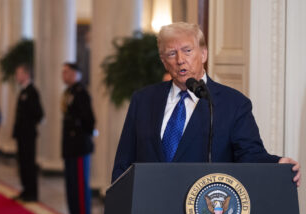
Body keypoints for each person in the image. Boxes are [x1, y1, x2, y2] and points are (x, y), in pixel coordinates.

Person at [112, 22, 300, 187]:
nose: (180, 60)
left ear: (203, 54)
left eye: (187, 50)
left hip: (202, 213)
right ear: (163, 61)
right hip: (149, 210)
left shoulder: (233, 104)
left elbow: (250, 156)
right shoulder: (143, 100)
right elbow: (123, 164)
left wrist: (277, 165)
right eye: (171, 53)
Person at [60, 62, 96, 214]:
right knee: (71, 184)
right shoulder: (70, 92)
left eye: (66, 72)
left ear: (76, 74)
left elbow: (89, 120)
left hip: (79, 145)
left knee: (80, 185)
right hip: (70, 145)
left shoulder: (81, 93)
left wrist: (80, 134)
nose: (63, 75)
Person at [12, 64, 44, 201]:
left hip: (28, 134)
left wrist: (28, 125)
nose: (16, 76)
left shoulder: (32, 91)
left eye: (19, 73)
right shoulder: (23, 91)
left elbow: (39, 113)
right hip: (21, 134)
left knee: (29, 163)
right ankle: (26, 190)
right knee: (23, 163)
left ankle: (32, 193)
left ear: (26, 74)